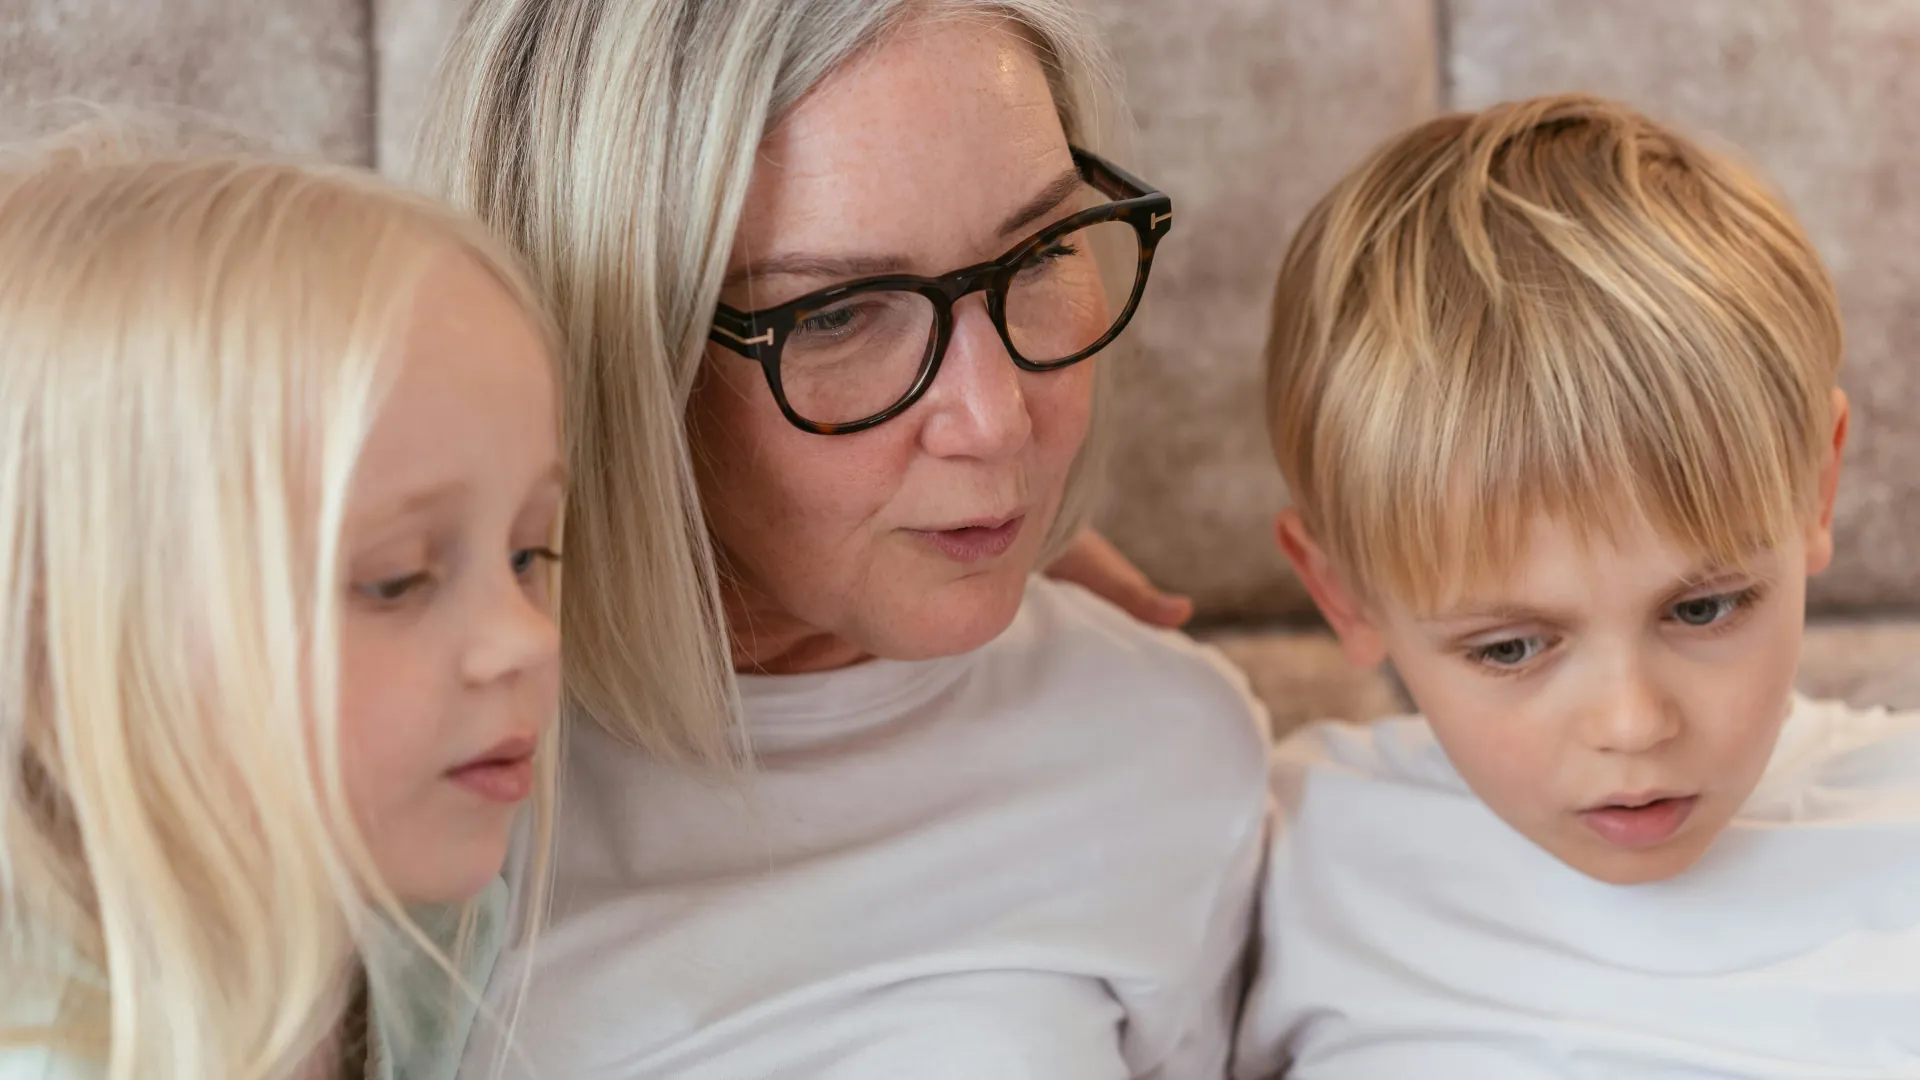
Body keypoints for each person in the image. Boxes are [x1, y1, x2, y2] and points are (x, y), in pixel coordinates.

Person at [416, 1, 1272, 1076]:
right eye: (836, 314)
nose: (996, 417)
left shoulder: (1163, 749)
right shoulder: (433, 781)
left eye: (1045, 249)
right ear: (619, 355)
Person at [1233, 93, 1920, 1078]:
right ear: (1345, 595)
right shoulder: (1287, 847)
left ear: (1817, 489)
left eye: (1702, 607)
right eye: (1510, 648)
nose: (1633, 725)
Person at [0, 128, 571, 1079]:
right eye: (394, 580)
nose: (524, 639)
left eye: (528, 553)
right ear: (62, 638)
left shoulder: (427, 941)